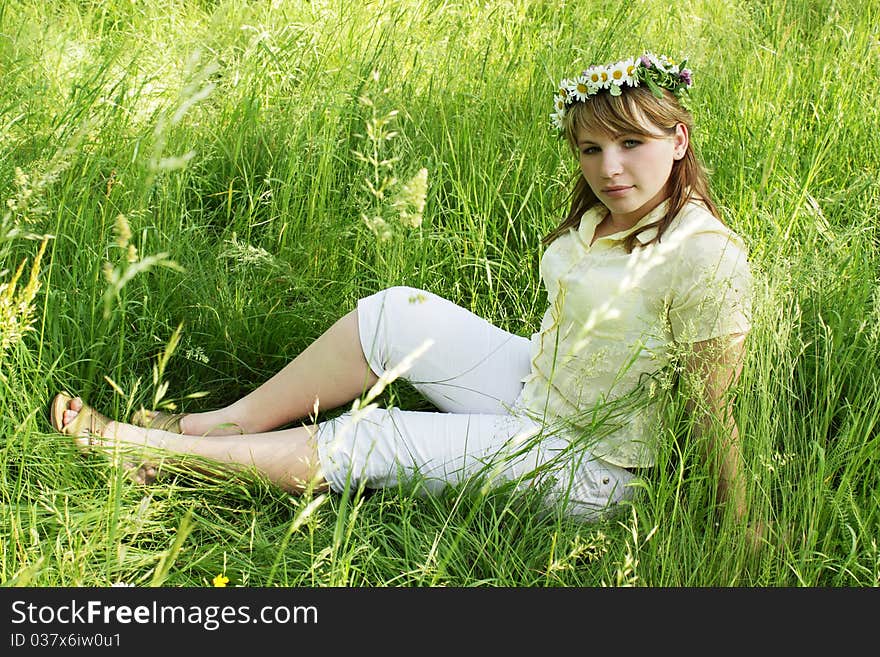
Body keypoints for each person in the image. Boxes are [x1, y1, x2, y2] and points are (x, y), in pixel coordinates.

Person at [51, 52, 756, 534]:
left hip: (599, 464)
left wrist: (740, 528)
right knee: (395, 310)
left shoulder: (703, 257)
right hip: (546, 388)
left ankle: (146, 449)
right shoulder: (603, 218)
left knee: (373, 436)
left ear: (678, 137)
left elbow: (711, 409)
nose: (610, 167)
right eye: (591, 149)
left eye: (630, 143)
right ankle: (217, 426)